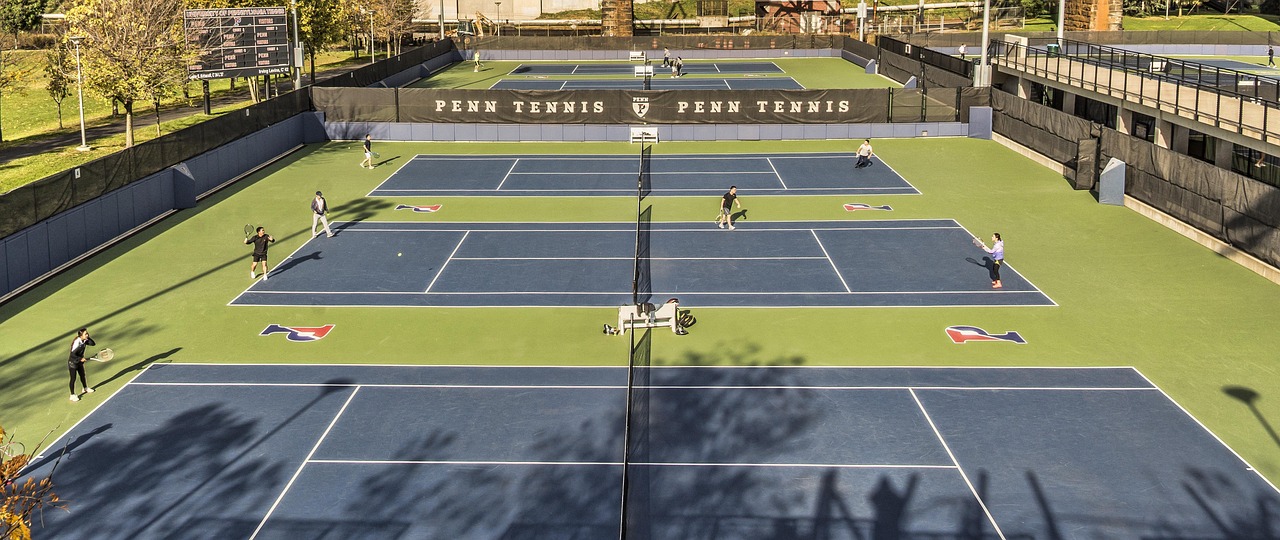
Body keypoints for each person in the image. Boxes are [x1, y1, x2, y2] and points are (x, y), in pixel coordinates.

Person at [67, 328, 95, 402]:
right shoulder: (77, 342)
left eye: (87, 333)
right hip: (73, 362)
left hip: (79, 361)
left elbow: (93, 344)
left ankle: (85, 388)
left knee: (82, 375)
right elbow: (72, 354)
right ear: (81, 335)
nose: (87, 335)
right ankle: (72, 395)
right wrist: (80, 359)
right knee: (73, 379)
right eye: (85, 334)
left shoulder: (84, 340)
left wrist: (87, 338)